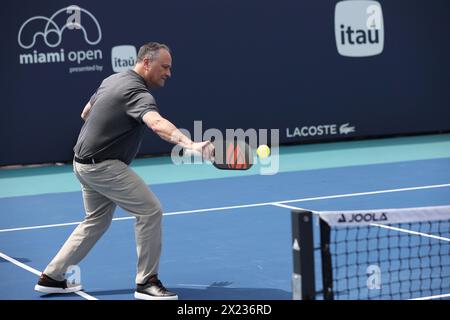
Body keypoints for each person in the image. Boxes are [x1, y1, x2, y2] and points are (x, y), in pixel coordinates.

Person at [34, 42, 214, 300]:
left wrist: (108, 127)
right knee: (150, 211)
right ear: (147, 63)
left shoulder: (112, 80)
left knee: (95, 221)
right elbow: (156, 124)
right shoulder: (139, 94)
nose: (169, 73)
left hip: (82, 163)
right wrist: (190, 144)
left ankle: (52, 276)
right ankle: (147, 283)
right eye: (165, 67)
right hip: (104, 166)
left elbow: (86, 112)